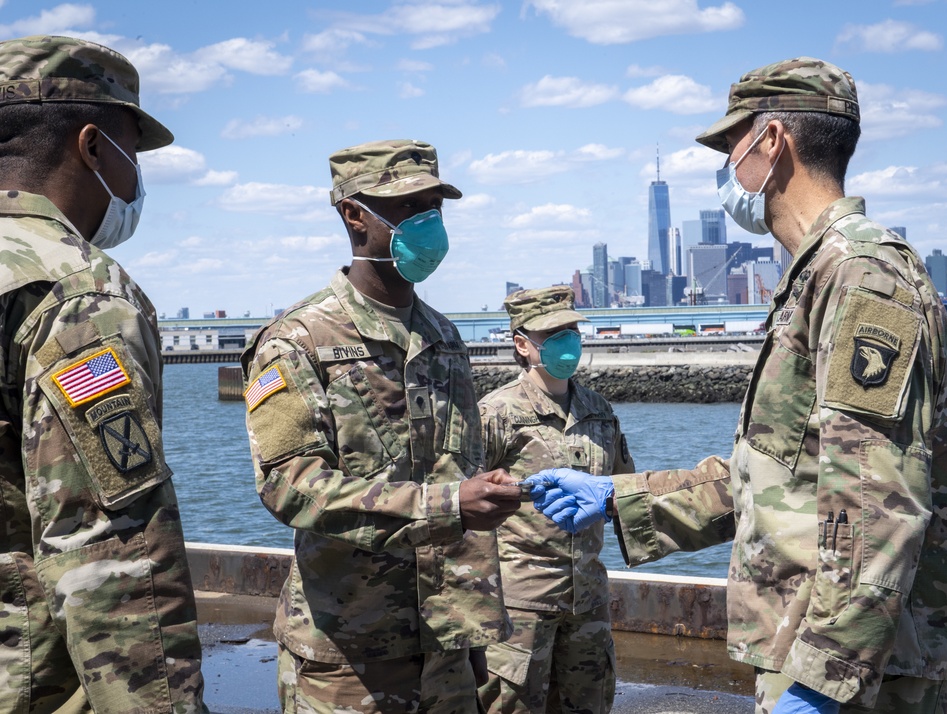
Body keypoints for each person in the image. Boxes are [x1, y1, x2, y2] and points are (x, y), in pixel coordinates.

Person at [528, 57, 947, 714]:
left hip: (861, 683)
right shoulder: (818, 277)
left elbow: (877, 505)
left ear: (771, 143)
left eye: (728, 145)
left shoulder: (862, 277)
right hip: (818, 660)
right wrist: (620, 500)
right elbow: (775, 482)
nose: (724, 168)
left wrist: (823, 684)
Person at [242, 139, 523, 713]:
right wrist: (446, 503)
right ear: (353, 214)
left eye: (435, 208)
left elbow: (459, 470)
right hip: (347, 655)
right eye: (407, 207)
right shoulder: (299, 340)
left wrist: (472, 631)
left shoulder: (444, 338)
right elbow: (288, 484)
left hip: (447, 646)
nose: (427, 223)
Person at [0, 36, 207, 712]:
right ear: (93, 147)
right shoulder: (77, 297)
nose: (137, 179)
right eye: (132, 153)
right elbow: (111, 556)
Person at [476, 287, 633, 714]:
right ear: (523, 344)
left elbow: (628, 490)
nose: (568, 342)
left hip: (588, 599)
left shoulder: (599, 411)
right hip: (520, 602)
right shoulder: (497, 413)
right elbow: (466, 502)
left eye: (572, 331)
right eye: (554, 333)